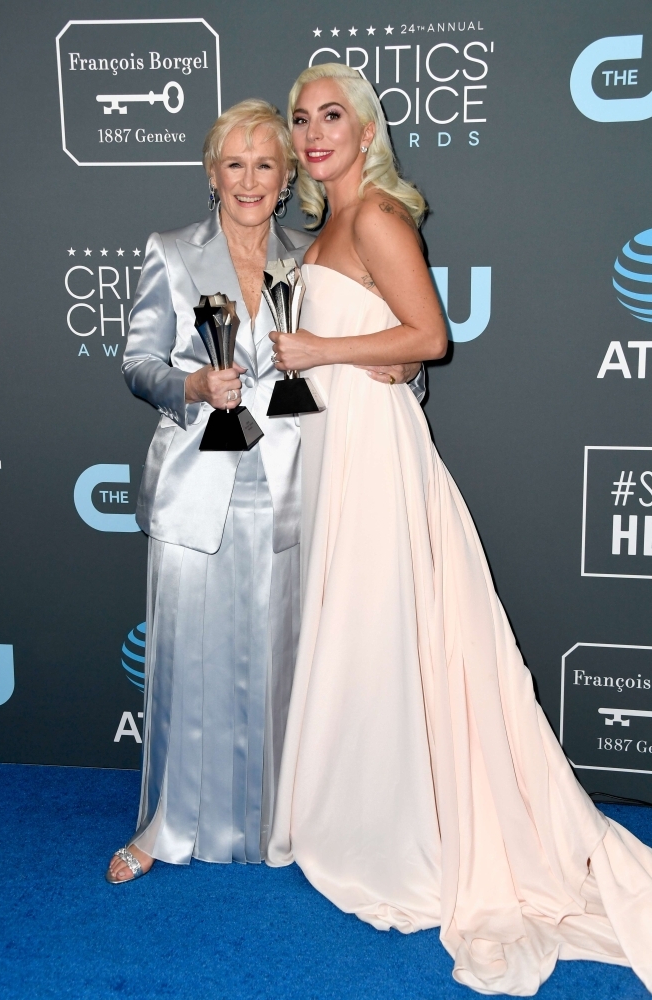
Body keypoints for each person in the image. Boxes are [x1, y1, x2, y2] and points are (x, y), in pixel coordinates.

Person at [266, 64, 652, 995]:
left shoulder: (377, 218)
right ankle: (353, 809)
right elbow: (387, 345)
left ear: (365, 131)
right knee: (363, 638)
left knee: (387, 633)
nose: (315, 132)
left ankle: (393, 831)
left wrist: (323, 349)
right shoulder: (319, 226)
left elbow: (428, 337)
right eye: (301, 119)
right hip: (336, 449)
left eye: (333, 116)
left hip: (376, 458)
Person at [106, 99, 424, 882]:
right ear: (211, 175)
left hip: (293, 486)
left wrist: (406, 369)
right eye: (234, 163)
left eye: (265, 164)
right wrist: (188, 383)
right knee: (184, 665)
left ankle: (285, 821)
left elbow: (366, 344)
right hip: (197, 489)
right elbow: (137, 361)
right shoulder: (171, 251)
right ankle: (164, 826)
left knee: (286, 666)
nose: (249, 180)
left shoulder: (310, 258)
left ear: (286, 180)